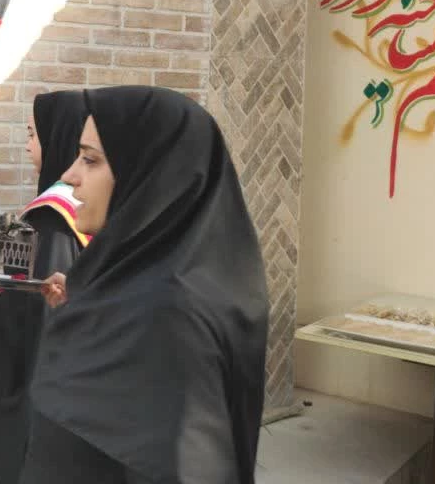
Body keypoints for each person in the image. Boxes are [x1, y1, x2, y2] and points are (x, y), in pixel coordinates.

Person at [24, 86, 269, 484]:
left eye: (90, 159)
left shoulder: (173, 318)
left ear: (150, 176)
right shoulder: (135, 287)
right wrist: (93, 304)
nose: (69, 175)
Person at [0, 91, 88, 484]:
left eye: (33, 135)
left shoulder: (53, 219)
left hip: (40, 400)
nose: (27, 145)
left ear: (59, 139)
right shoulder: (79, 208)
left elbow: (38, 309)